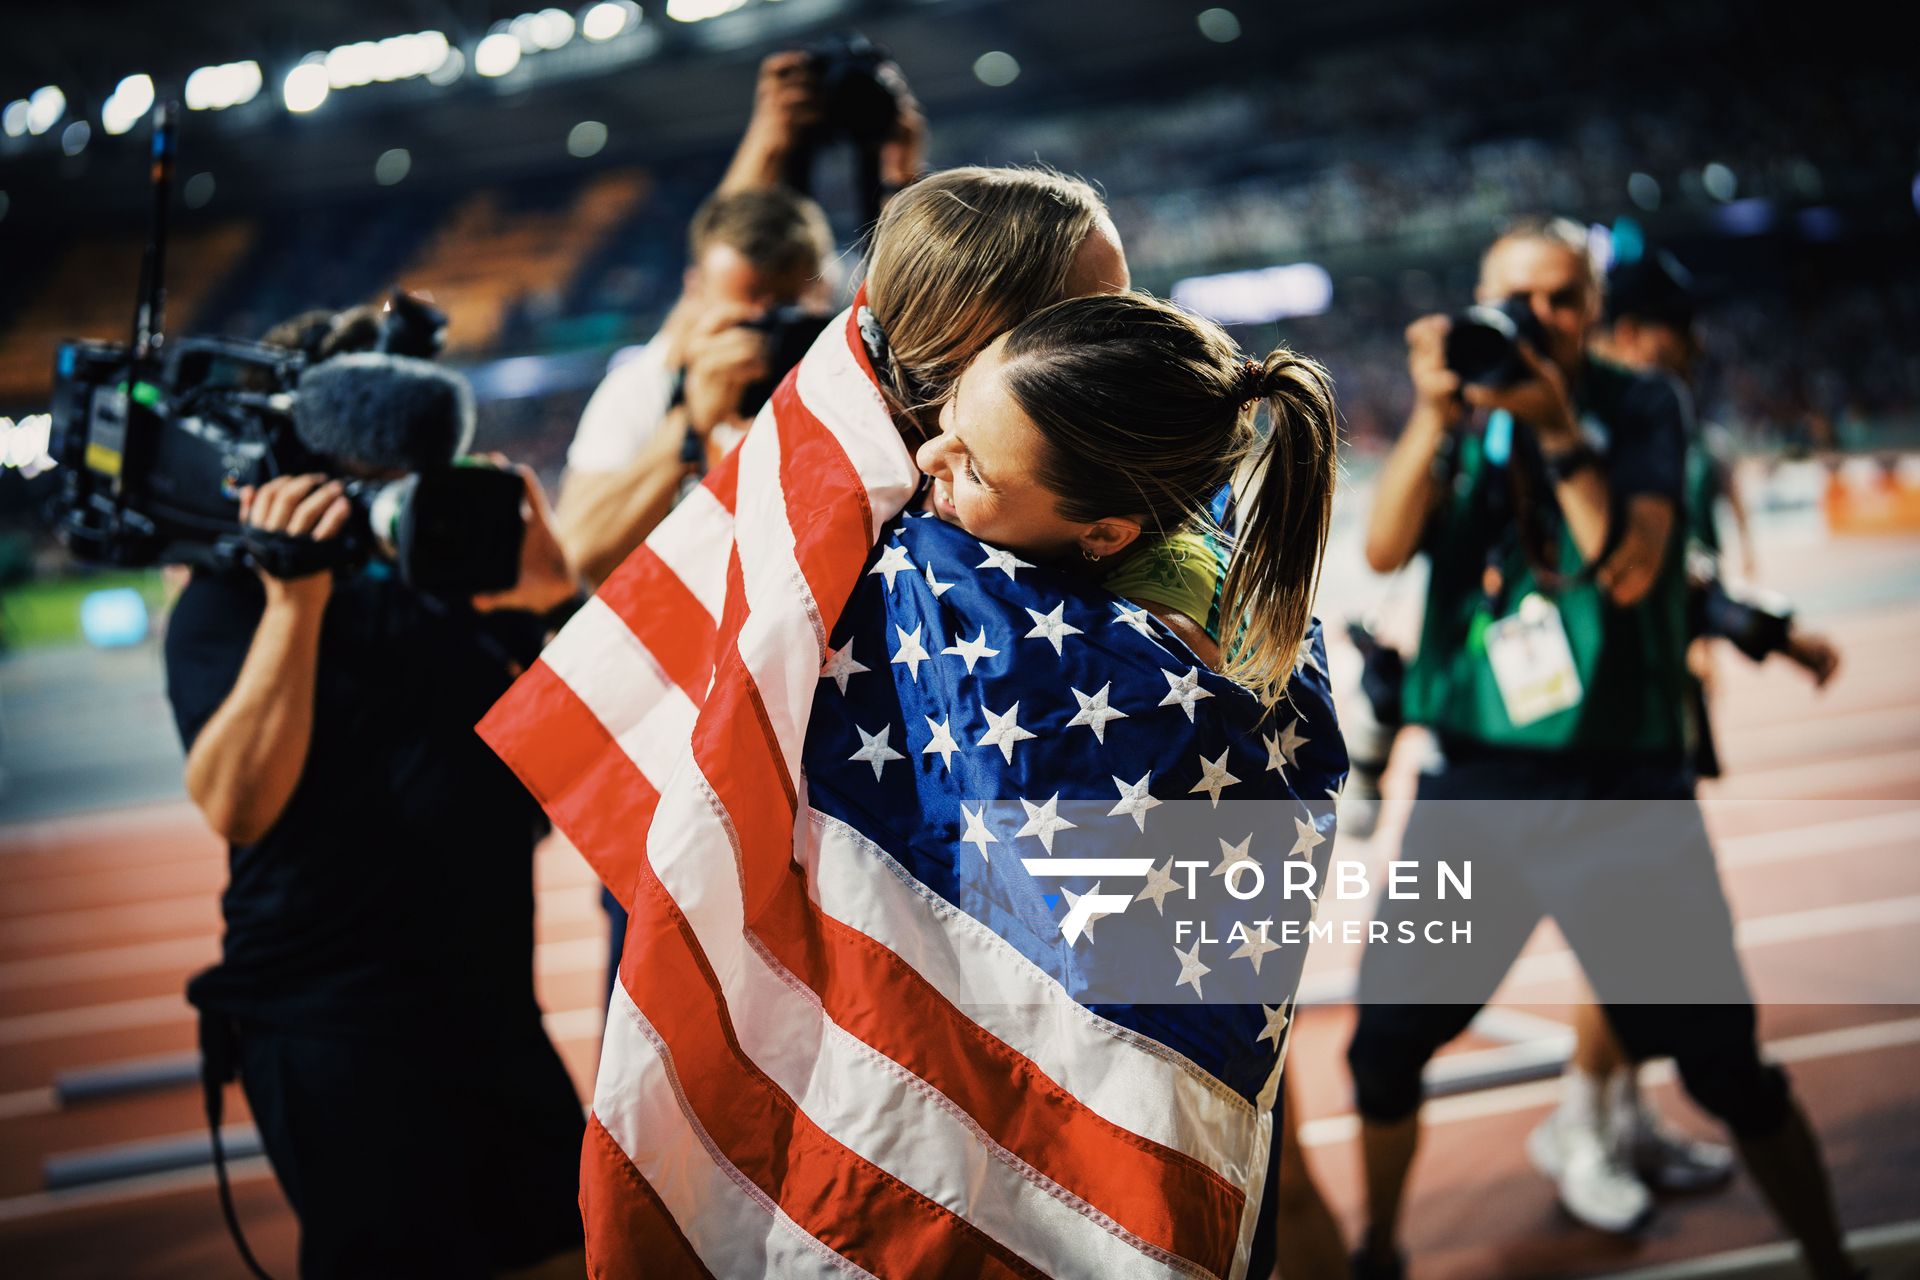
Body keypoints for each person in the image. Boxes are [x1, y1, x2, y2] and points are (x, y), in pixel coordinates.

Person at [1347, 217, 1858, 1280]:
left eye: (1561, 298)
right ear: (1479, 299)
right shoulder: (1464, 414)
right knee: (1383, 1047)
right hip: (1474, 785)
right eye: (1515, 297)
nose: (1538, 320)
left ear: (1593, 307)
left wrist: (1555, 426)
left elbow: (1623, 572)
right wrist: (1437, 415)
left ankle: (1832, 1260)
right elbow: (1385, 544)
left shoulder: (1641, 404)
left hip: (1622, 787)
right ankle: (1379, 1252)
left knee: (1726, 1068)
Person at [915, 290, 1342, 1279]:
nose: (932, 462)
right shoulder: (1162, 532)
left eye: (974, 467)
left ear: (1103, 531)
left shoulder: (1147, 662)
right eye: (950, 418)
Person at [166, 346, 590, 1279]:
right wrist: (297, 600)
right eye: (371, 487)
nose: (402, 507)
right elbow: (238, 805)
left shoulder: (467, 576)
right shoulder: (230, 602)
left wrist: (560, 603)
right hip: (333, 1028)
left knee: (572, 1253)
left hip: (488, 1006)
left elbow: (599, 762)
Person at [1519, 248, 1847, 1234]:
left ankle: (1618, 1115)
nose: (1691, 343)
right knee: (1616, 940)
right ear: (1617, 329)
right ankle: (1586, 1120)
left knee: (1625, 941)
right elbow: (1643, 576)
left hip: (1647, 718)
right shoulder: (1608, 427)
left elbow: (1683, 582)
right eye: (1669, 322)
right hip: (1588, 732)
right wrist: (1773, 638)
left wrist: (1765, 639)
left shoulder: (1652, 421)